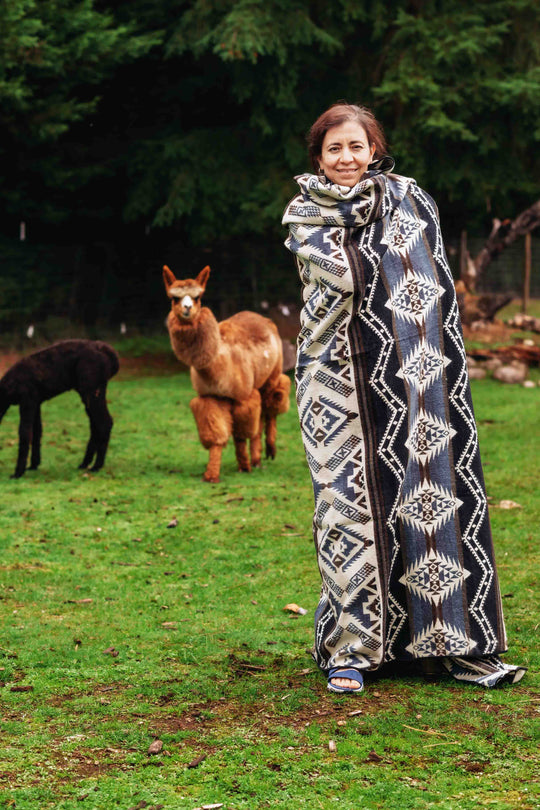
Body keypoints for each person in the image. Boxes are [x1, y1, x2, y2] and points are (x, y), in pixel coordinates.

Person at [282, 102, 526, 694]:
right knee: (348, 510)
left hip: (416, 381)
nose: (347, 158)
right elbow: (341, 279)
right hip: (337, 381)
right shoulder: (304, 214)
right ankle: (353, 651)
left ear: (375, 150)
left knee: (433, 496)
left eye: (356, 147)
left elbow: (431, 283)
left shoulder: (411, 202)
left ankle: (451, 641)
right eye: (334, 149)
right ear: (318, 157)